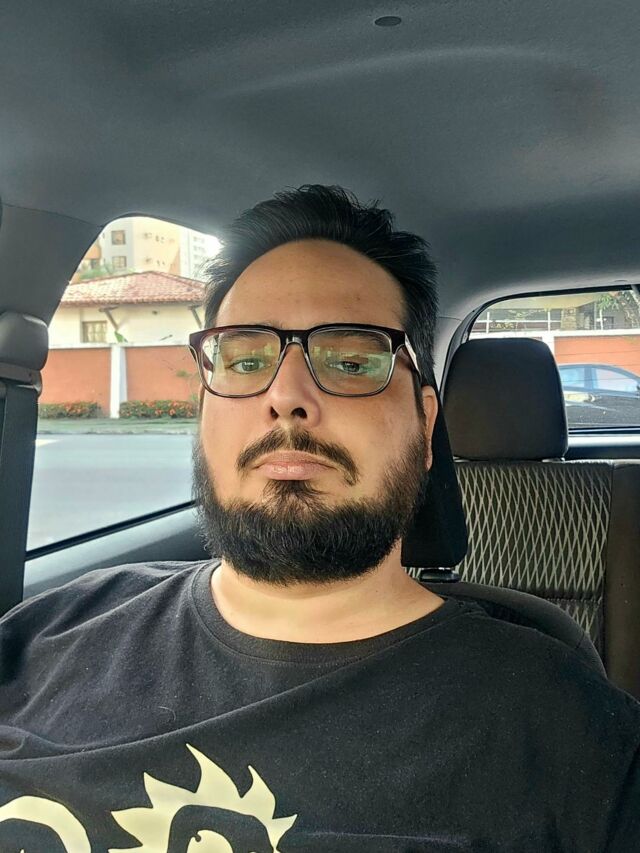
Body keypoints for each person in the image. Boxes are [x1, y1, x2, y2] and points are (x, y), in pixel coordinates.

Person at [0, 184, 638, 852]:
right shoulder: (43, 636)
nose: (285, 395)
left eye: (352, 361)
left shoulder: (574, 737)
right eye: (246, 359)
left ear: (425, 427)